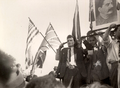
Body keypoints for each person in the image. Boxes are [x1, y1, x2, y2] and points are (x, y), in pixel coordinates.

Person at [103, 24, 120, 88]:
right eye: (119, 30)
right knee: (115, 85)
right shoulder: (111, 43)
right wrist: (109, 27)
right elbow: (105, 37)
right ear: (115, 32)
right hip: (115, 66)